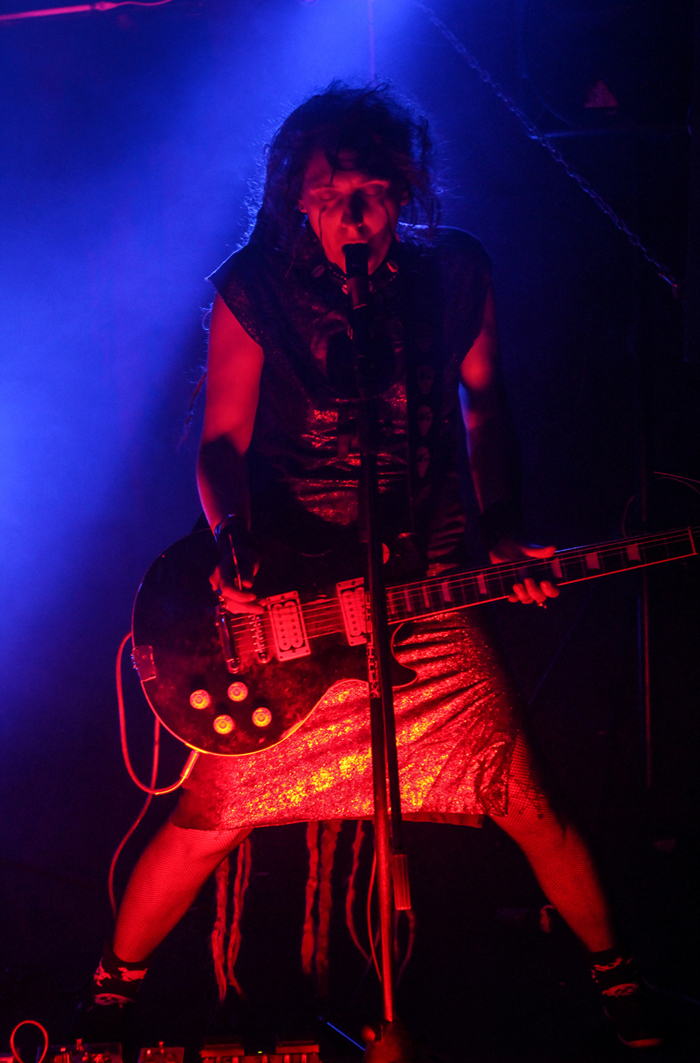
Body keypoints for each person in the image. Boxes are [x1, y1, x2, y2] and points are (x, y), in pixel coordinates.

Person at [88, 83, 660, 1052]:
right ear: (295, 199)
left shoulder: (455, 274)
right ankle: (110, 991)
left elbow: (485, 407)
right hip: (293, 604)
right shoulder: (253, 287)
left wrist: (503, 531)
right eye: (328, 196)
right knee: (210, 816)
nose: (351, 215)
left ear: (403, 189)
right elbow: (221, 441)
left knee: (525, 797)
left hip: (423, 588)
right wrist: (234, 545)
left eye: (371, 193)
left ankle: (619, 981)